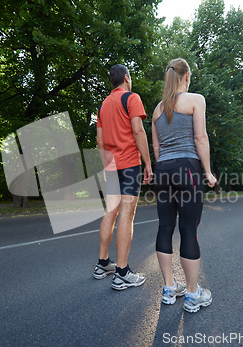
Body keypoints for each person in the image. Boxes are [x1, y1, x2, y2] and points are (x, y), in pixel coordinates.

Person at [151, 58, 217, 312]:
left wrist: (163, 171)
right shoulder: (195, 100)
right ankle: (192, 295)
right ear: (186, 75)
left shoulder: (158, 109)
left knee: (165, 227)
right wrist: (208, 172)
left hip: (163, 170)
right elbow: (200, 137)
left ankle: (169, 288)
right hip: (187, 168)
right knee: (189, 229)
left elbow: (156, 147)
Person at [93, 64, 153, 290]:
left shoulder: (103, 105)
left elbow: (99, 141)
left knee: (110, 212)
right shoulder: (131, 98)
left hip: (111, 166)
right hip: (129, 165)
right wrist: (148, 163)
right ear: (126, 78)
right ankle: (122, 272)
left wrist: (107, 166)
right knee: (126, 215)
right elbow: (138, 131)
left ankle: (102, 264)